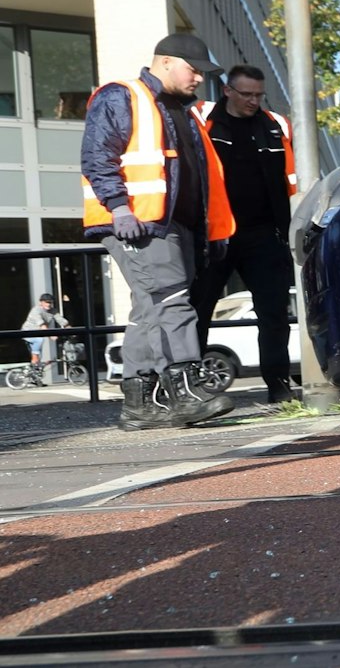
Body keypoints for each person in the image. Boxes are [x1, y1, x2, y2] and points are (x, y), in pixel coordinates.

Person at [80, 33, 236, 430]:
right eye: (193, 70)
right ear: (166, 62)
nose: (199, 79)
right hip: (138, 223)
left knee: (151, 307)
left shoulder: (182, 111)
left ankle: (140, 403)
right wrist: (119, 208)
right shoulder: (123, 96)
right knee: (172, 300)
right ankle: (185, 392)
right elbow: (97, 155)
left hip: (169, 225)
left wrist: (209, 232)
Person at [191, 64, 298, 404]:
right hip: (214, 234)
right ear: (227, 91)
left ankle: (279, 387)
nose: (253, 101)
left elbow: (291, 181)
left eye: (258, 95)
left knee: (273, 313)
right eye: (246, 94)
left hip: (264, 234)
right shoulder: (203, 122)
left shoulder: (275, 126)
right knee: (198, 310)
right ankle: (193, 388)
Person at [18, 294, 65, 372]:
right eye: (47, 302)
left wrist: (71, 331)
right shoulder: (36, 310)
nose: (49, 304)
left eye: (50, 302)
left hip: (38, 334)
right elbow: (42, 325)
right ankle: (34, 358)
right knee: (39, 341)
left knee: (40, 357)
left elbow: (62, 321)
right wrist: (51, 336)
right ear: (41, 302)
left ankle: (35, 376)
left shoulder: (53, 311)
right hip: (28, 333)